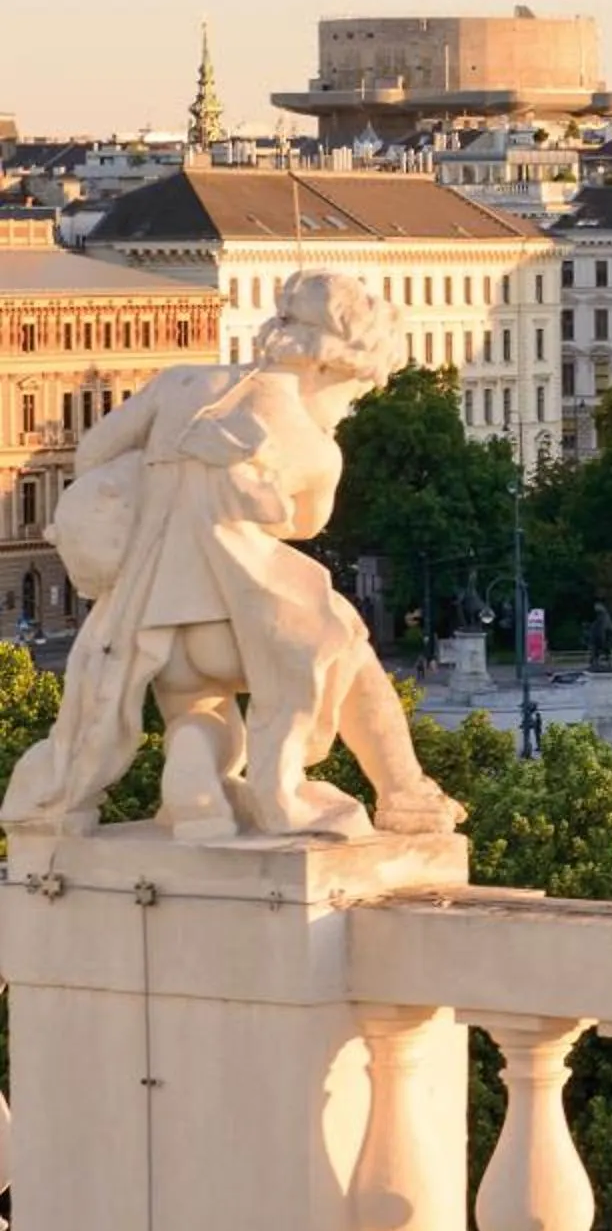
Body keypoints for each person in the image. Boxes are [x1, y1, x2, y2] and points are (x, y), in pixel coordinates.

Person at [2, 271, 463, 842]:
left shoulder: (180, 383)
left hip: (148, 617)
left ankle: (197, 791)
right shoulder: (316, 449)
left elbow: (93, 453)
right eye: (353, 393)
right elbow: (305, 523)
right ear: (330, 363)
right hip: (244, 618)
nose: (347, 409)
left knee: (199, 712)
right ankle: (404, 793)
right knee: (350, 654)